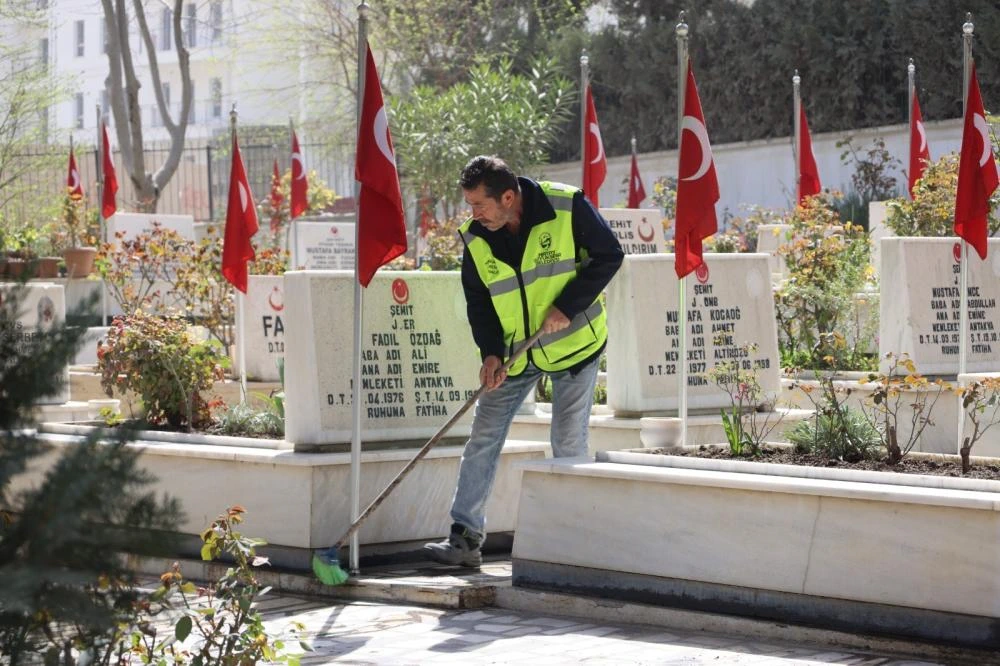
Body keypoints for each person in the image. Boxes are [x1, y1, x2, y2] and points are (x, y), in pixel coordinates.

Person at [424, 155, 624, 567]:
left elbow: (609, 255)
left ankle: (570, 544)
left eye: (480, 205)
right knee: (483, 435)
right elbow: (479, 300)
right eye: (470, 206)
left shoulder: (566, 206)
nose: (474, 215)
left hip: (573, 344)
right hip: (517, 352)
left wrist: (567, 306)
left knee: (567, 442)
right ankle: (464, 538)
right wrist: (491, 353)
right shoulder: (476, 238)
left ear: (509, 196)